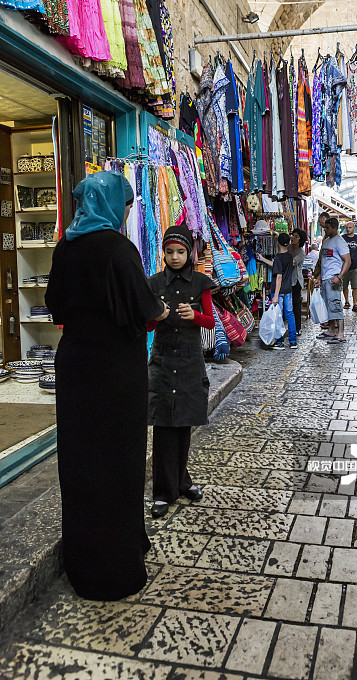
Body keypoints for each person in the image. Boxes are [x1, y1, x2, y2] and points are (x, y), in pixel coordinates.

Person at [45, 172, 169, 601]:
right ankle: (117, 568)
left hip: (76, 366)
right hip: (116, 370)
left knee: (81, 463)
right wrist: (162, 311)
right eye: (128, 206)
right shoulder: (119, 249)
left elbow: (55, 306)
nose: (128, 213)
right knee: (119, 461)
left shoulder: (66, 247)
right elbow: (147, 310)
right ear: (114, 205)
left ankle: (84, 565)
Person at [147, 224, 216, 518]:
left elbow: (211, 321)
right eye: (169, 252)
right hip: (163, 361)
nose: (175, 257)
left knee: (184, 425)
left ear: (189, 253)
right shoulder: (153, 284)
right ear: (163, 253)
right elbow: (146, 325)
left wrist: (194, 315)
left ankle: (182, 482)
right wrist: (158, 316)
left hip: (189, 361)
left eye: (180, 251)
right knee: (164, 426)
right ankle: (162, 492)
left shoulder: (201, 283)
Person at [315, 217, 351, 343]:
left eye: (327, 228)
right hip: (325, 278)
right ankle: (331, 330)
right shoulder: (326, 242)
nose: (325, 230)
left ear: (335, 228)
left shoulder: (339, 241)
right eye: (324, 227)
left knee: (335, 305)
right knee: (328, 305)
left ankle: (340, 334)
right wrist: (319, 277)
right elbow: (324, 262)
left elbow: (347, 261)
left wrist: (339, 277)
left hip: (334, 278)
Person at [271, 232, 297, 349]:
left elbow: (279, 277)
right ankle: (293, 341)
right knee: (290, 314)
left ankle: (280, 341)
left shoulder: (278, 258)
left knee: (279, 316)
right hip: (288, 290)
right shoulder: (290, 257)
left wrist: (276, 295)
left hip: (280, 291)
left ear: (278, 243)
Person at [342, 220, 357, 312]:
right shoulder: (342, 238)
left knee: (355, 285)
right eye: (347, 228)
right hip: (344, 266)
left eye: (350, 227)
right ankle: (346, 301)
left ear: (354, 228)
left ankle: (355, 303)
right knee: (344, 285)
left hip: (355, 265)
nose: (348, 229)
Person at [290, 228, 307, 335]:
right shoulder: (288, 247)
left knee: (296, 304)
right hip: (287, 280)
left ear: (300, 239)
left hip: (296, 281)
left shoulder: (301, 252)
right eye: (292, 235)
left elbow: (292, 263)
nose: (293, 237)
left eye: (296, 236)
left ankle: (297, 328)